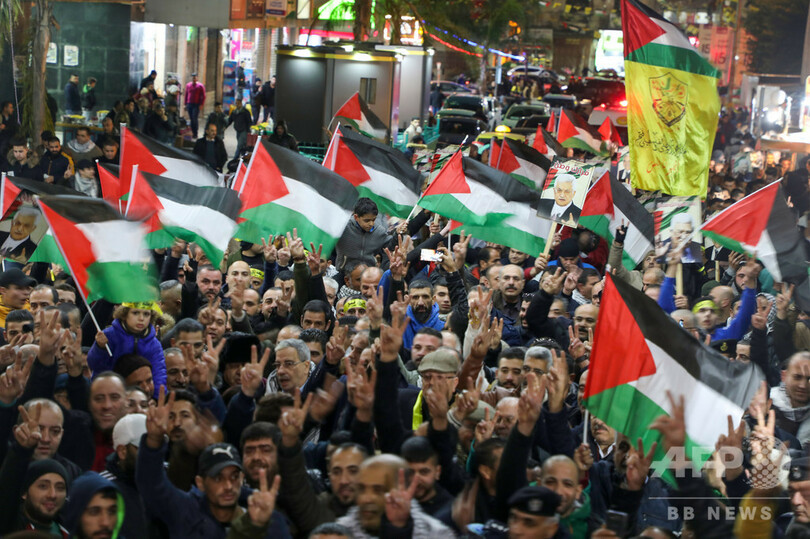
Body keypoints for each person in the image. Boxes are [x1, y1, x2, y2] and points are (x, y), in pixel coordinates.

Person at [86, 302, 167, 398]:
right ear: (124, 314)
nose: (141, 318)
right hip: (108, 394)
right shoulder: (108, 336)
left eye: (146, 314)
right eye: (135, 313)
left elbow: (159, 373)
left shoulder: (154, 344)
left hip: (142, 396)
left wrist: (157, 398)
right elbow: (94, 364)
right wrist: (100, 348)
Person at [184, 72, 206, 138]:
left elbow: (203, 96)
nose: (194, 79)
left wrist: (201, 104)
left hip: (196, 105)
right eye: (193, 78)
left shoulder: (200, 86)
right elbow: (186, 94)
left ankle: (195, 133)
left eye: (195, 77)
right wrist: (185, 104)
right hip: (189, 104)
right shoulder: (188, 85)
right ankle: (192, 132)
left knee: (194, 118)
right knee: (191, 119)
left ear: (197, 78)